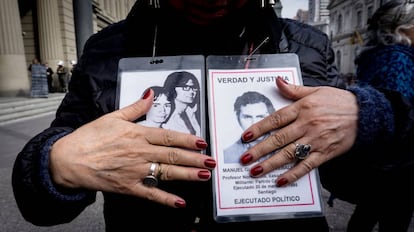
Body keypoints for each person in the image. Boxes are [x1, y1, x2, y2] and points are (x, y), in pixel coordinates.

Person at [11, 0, 411, 231]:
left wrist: (369, 117)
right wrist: (55, 163)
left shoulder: (305, 46)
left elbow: (360, 185)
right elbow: (40, 206)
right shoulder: (108, 49)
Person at [319, 1, 414, 231]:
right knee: (393, 218)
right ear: (402, 28)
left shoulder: (377, 54)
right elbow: (400, 112)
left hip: (377, 159)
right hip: (396, 164)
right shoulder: (398, 59)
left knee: (368, 211)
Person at [224, 91, 275, 163]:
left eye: (260, 116)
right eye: (247, 117)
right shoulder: (228, 155)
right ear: (238, 119)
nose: (254, 123)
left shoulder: (286, 147)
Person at [162, 71, 201, 136]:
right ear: (172, 88)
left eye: (194, 88)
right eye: (185, 87)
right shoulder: (164, 115)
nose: (191, 92)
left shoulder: (192, 113)